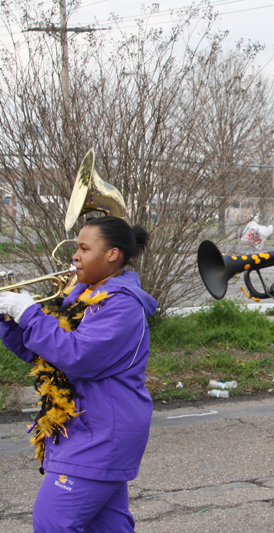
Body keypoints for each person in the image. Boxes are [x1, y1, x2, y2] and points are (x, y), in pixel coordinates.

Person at [0, 216, 157, 532]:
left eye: (85, 248)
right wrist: (9, 318)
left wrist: (29, 314)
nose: (75, 256)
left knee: (52, 523)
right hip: (85, 431)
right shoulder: (81, 298)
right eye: (76, 248)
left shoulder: (120, 305)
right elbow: (44, 354)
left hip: (100, 436)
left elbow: (77, 356)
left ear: (111, 254)